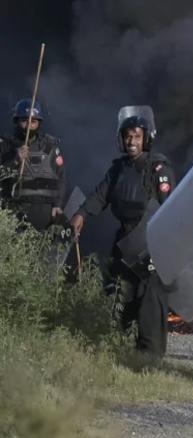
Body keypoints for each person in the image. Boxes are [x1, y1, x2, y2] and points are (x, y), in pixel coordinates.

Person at [70, 108, 174, 362]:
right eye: (128, 136)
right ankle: (122, 345)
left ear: (146, 138)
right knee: (119, 291)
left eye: (137, 136)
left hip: (151, 239)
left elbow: (171, 207)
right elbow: (100, 195)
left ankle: (150, 354)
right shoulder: (118, 169)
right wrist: (82, 213)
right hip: (125, 238)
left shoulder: (158, 168)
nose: (131, 142)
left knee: (150, 298)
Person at [0, 99, 66, 231]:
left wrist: (57, 204)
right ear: (16, 121)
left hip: (44, 215)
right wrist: (15, 160)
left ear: (39, 123)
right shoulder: (5, 147)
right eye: (25, 121)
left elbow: (61, 177)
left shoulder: (49, 146)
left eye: (33, 122)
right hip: (14, 215)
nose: (29, 125)